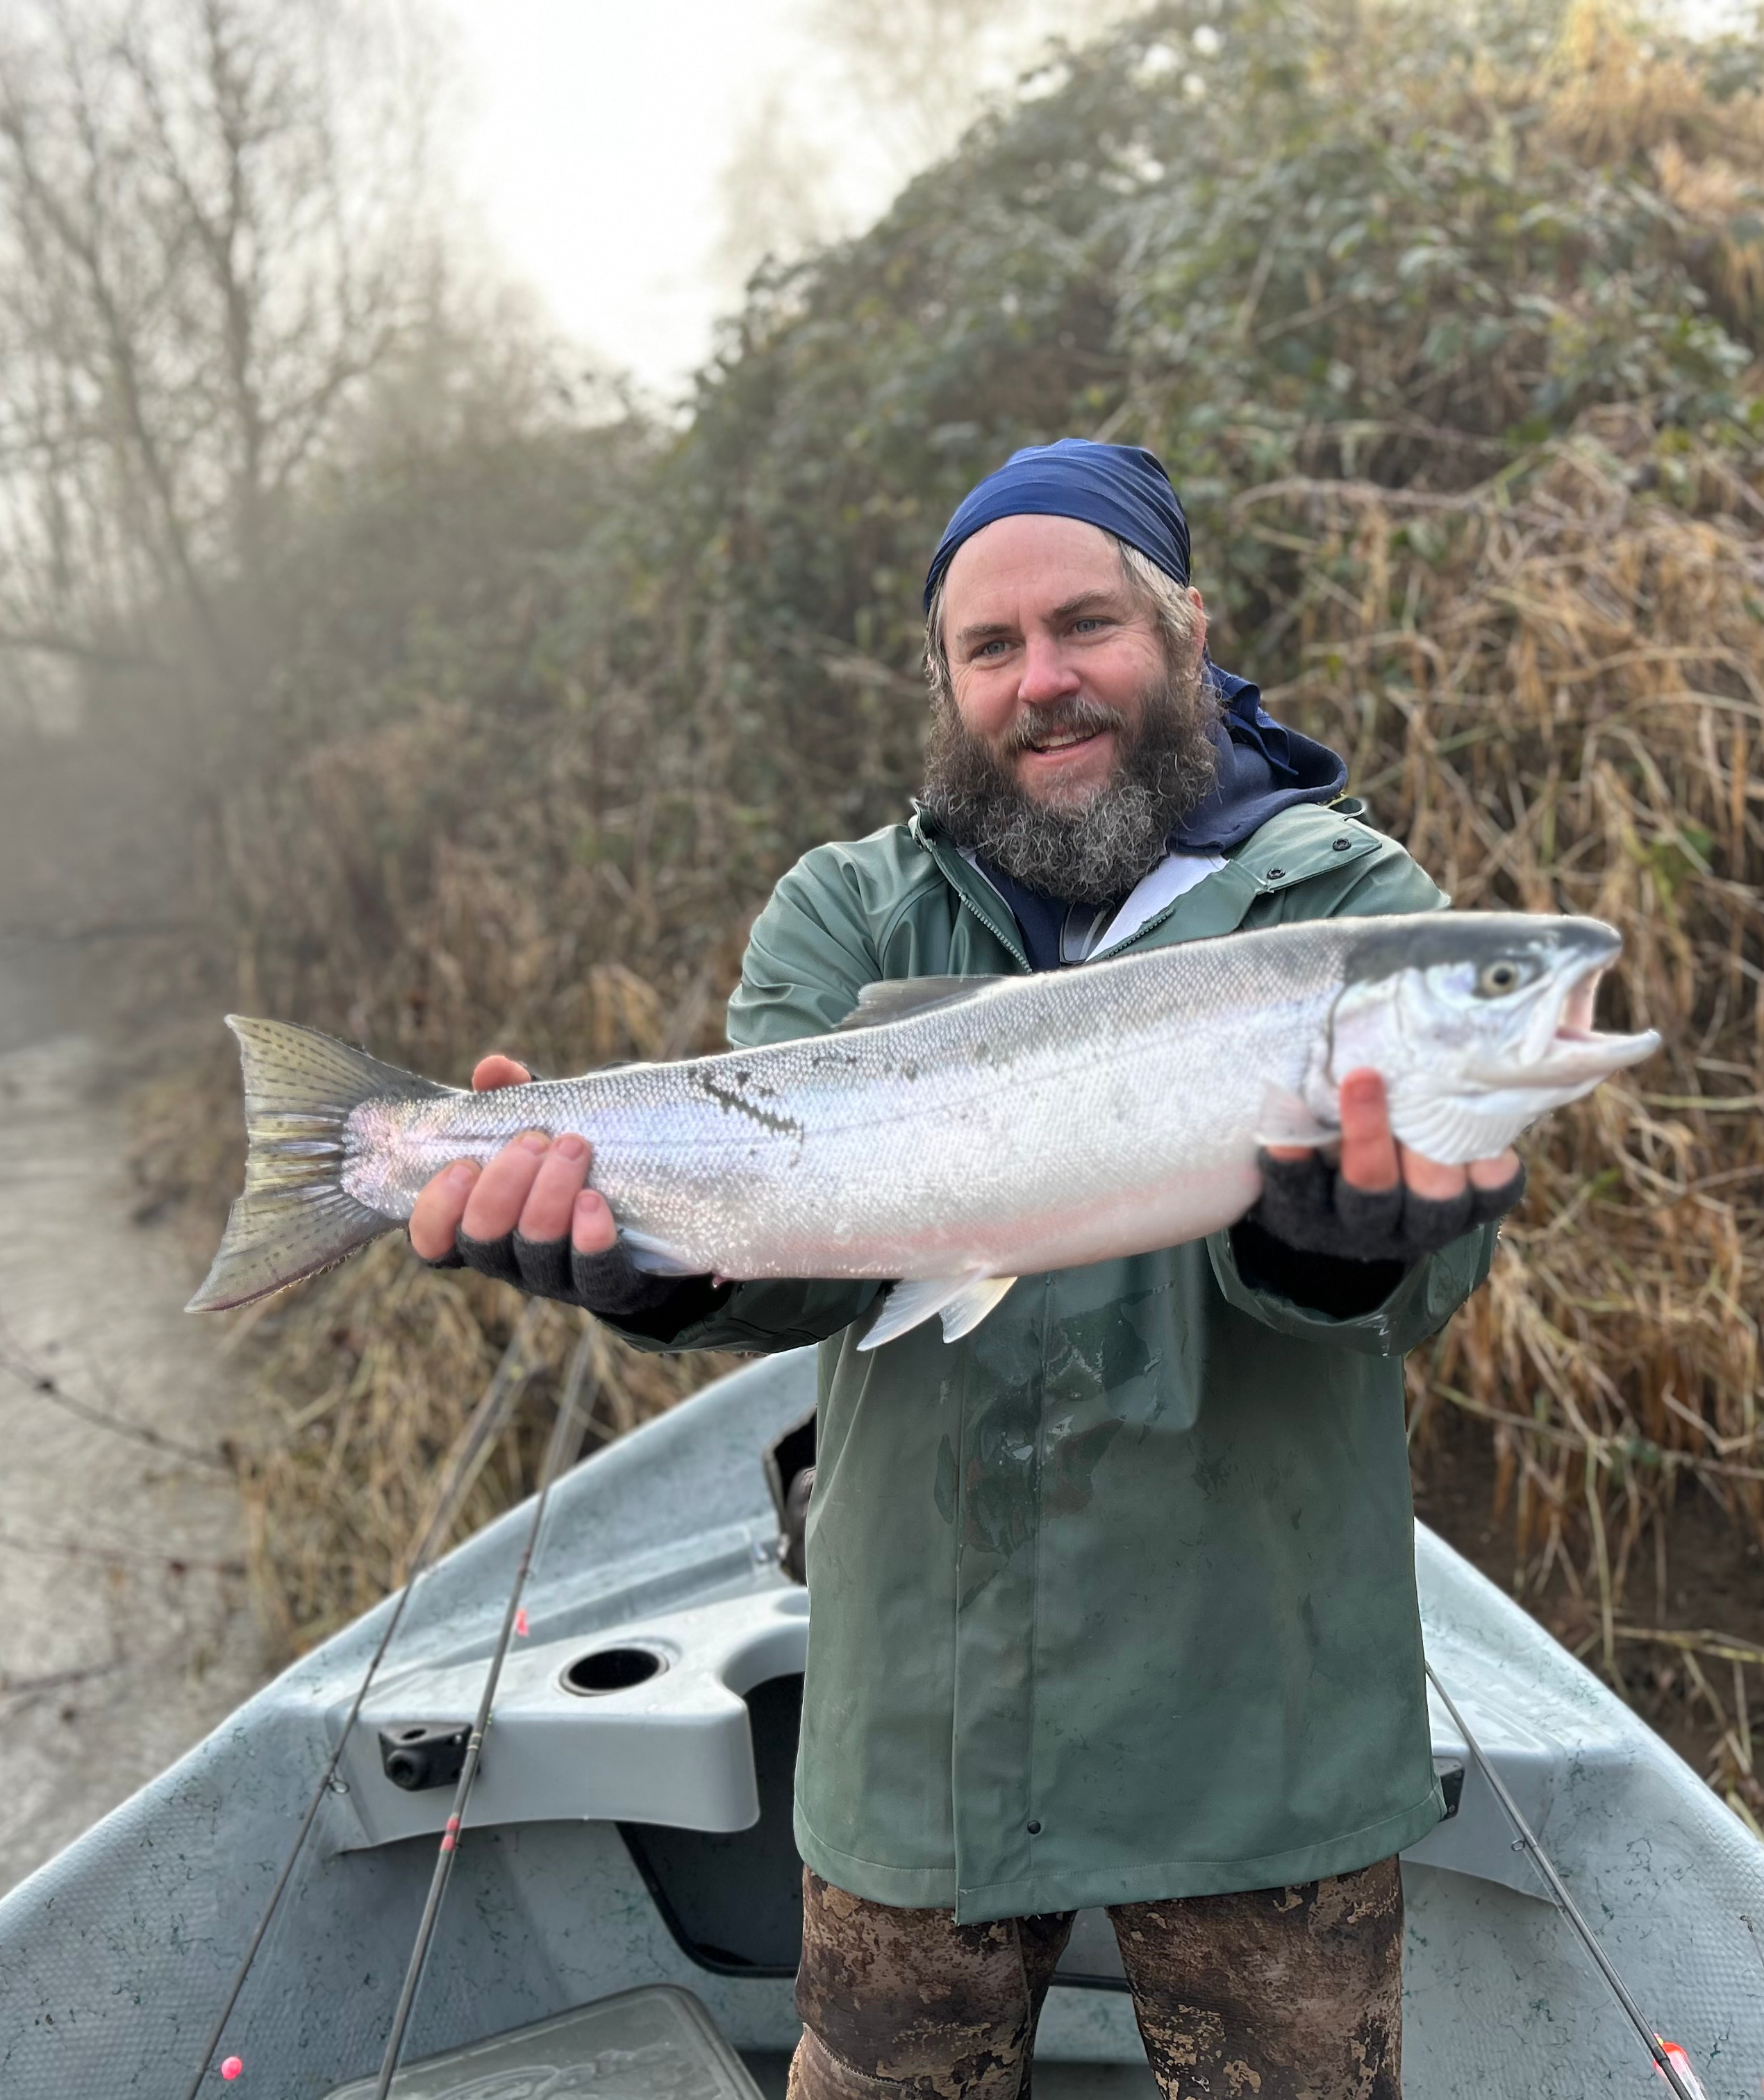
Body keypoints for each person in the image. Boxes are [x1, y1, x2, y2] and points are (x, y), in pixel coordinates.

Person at [404, 440, 1525, 2100]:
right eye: (991, 649)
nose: (1043, 683)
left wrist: (1340, 1259)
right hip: (911, 1745)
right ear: (945, 677)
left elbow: (1434, 1277)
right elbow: (809, 1255)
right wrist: (657, 1271)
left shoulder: (1344, 910)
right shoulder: (847, 912)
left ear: (1187, 627)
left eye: (1087, 627)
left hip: (1262, 1732)